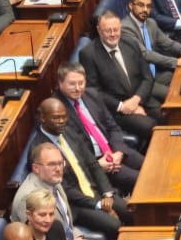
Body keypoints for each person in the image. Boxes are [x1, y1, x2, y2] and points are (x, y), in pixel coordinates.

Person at [10, 142, 114, 240]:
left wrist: (76, 238)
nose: (59, 169)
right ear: (36, 168)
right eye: (52, 164)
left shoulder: (54, 181)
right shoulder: (27, 197)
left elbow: (66, 221)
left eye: (60, 163)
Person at [30, 98, 132, 239]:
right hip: (77, 203)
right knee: (114, 225)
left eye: (64, 116)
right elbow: (64, 188)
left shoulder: (68, 132)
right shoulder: (39, 150)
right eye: (56, 118)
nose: (61, 121)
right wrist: (98, 204)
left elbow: (92, 164)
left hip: (94, 190)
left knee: (130, 211)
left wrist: (107, 193)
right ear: (43, 118)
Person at [55, 61, 144, 195]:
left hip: (115, 150)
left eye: (81, 83)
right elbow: (73, 150)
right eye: (72, 84)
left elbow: (112, 127)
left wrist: (119, 151)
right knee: (143, 179)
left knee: (152, 167)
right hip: (98, 163)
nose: (78, 88)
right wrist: (97, 165)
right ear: (60, 83)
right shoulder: (56, 110)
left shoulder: (92, 95)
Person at [79, 11, 160, 146]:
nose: (113, 34)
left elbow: (147, 77)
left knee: (167, 116)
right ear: (99, 30)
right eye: (108, 31)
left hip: (140, 98)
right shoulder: (88, 54)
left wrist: (136, 100)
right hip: (117, 109)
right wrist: (123, 106)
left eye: (116, 30)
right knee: (151, 127)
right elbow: (94, 92)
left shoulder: (130, 43)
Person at [121, 0, 181, 98]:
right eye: (141, 5)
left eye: (148, 6)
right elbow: (145, 54)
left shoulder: (151, 23)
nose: (145, 9)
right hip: (141, 81)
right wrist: (177, 61)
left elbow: (168, 44)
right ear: (131, 6)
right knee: (174, 95)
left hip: (156, 74)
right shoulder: (125, 28)